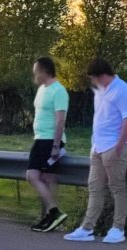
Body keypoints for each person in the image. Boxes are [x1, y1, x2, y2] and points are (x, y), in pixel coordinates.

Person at [64, 58, 127, 244]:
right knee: (94, 187)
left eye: (93, 78)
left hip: (114, 148)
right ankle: (87, 228)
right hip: (98, 146)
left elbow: (126, 119)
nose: (92, 82)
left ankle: (118, 228)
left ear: (102, 75)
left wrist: (119, 146)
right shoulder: (99, 91)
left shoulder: (122, 89)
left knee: (117, 188)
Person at [26, 57, 69, 232]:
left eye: (36, 71)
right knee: (45, 178)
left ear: (44, 71)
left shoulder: (58, 91)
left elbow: (60, 121)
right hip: (40, 139)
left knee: (32, 176)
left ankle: (54, 212)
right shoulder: (42, 89)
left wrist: (56, 146)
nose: (34, 74)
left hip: (50, 140)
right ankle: (50, 216)